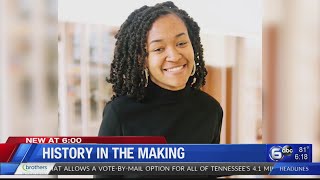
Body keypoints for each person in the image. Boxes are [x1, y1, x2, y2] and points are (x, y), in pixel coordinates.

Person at [96, 1, 223, 178]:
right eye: (158, 48)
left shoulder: (210, 110)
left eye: (181, 43)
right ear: (142, 59)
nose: (174, 55)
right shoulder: (120, 114)